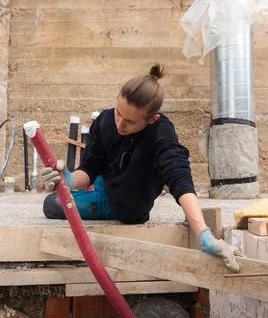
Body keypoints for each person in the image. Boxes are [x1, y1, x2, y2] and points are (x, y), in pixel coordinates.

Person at [41, 64, 241, 273]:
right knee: (53, 201)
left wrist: (204, 235)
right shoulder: (105, 121)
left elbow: (180, 181)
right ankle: (85, 191)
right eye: (118, 113)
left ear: (152, 119)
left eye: (130, 122)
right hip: (105, 179)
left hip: (124, 204)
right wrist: (69, 180)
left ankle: (95, 198)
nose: (119, 125)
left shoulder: (161, 134)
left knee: (53, 204)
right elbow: (90, 169)